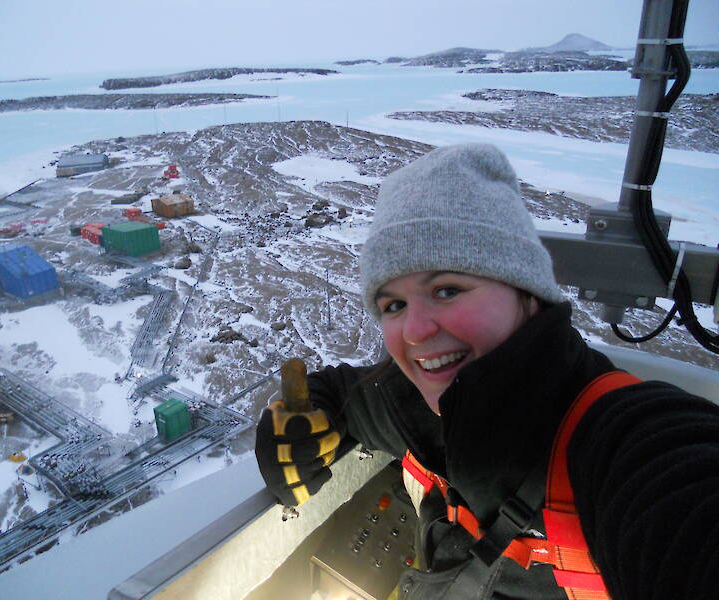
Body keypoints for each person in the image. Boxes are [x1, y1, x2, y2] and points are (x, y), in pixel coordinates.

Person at [255, 144, 719, 600]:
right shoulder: (413, 402)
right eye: (393, 304)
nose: (414, 330)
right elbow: (347, 395)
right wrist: (302, 428)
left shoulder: (624, 444)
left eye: (447, 288)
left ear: (527, 291)